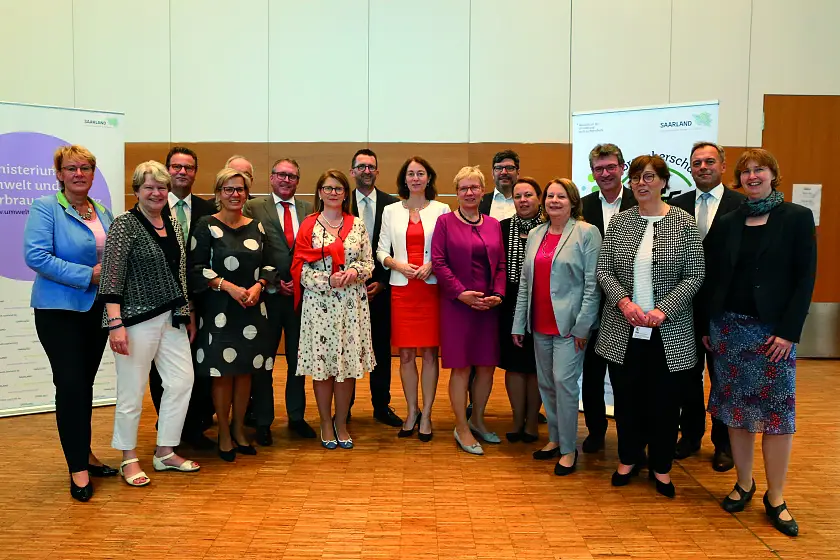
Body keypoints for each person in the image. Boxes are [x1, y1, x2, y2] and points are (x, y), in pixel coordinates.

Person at [702, 148, 816, 537]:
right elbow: (712, 275)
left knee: (777, 417)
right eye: (746, 172)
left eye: (759, 170)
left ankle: (776, 496)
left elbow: (805, 279)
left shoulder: (797, 218)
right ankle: (744, 483)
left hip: (774, 336)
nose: (752, 176)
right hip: (729, 331)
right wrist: (707, 324)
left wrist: (788, 332)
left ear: (773, 174)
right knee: (736, 414)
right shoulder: (730, 221)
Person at [595, 155, 704, 498]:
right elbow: (604, 271)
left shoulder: (685, 223)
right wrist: (624, 303)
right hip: (623, 328)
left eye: (648, 177)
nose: (640, 184)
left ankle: (661, 467)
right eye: (635, 178)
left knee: (665, 403)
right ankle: (628, 459)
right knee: (627, 400)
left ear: (662, 181)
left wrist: (664, 310)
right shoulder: (620, 223)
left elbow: (696, 275)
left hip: (668, 333)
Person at [23, 144, 117, 502]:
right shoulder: (46, 208)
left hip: (96, 312)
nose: (79, 174)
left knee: (85, 386)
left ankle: (85, 453)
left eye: (86, 168)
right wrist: (86, 275)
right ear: (59, 174)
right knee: (71, 384)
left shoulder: (103, 212)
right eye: (71, 168)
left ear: (93, 174)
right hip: (58, 312)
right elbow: (35, 256)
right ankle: (77, 469)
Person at [99, 161, 199, 487]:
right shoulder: (124, 225)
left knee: (182, 381)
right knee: (132, 390)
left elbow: (179, 274)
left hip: (172, 318)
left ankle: (165, 451)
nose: (156, 193)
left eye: (161, 187)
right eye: (149, 187)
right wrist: (115, 324)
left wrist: (186, 312)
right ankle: (128, 457)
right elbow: (111, 277)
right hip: (134, 320)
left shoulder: (172, 223)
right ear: (137, 190)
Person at [512, 179, 601, 475]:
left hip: (569, 327)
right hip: (539, 323)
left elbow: (592, 285)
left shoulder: (587, 233)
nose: (554, 201)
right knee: (547, 384)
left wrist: (583, 327)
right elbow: (526, 283)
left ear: (573, 201)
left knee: (564, 385)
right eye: (549, 196)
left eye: (560, 196)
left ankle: (568, 449)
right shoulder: (536, 233)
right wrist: (518, 324)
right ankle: (554, 438)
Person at [189, 168, 275, 462]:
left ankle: (239, 429)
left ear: (247, 193)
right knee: (222, 374)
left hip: (251, 310)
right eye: (228, 189)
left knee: (245, 373)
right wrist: (229, 287)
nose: (235, 194)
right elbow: (196, 268)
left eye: (240, 189)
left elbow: (270, 265)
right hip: (220, 312)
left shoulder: (257, 226)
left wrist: (258, 286)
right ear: (218, 193)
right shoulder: (205, 225)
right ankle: (223, 432)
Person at [670, 142, 746, 470]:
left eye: (709, 161)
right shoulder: (676, 206)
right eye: (697, 162)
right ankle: (689, 435)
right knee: (686, 376)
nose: (703, 167)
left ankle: (724, 443)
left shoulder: (742, 205)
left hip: (725, 310)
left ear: (723, 165)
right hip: (683, 308)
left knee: (723, 378)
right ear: (690, 168)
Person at [292, 169, 375, 449]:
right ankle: (326, 421)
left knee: (347, 366)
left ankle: (341, 421)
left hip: (351, 305)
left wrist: (354, 271)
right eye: (327, 188)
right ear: (319, 192)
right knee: (323, 367)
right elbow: (299, 269)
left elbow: (369, 262)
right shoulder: (308, 225)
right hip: (320, 306)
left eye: (338, 188)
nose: (333, 193)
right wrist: (327, 279)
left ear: (345, 193)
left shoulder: (357, 224)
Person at [431, 166, 506, 455]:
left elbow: (500, 265)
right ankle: (461, 425)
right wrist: (461, 294)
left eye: (475, 187)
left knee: (486, 366)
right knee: (461, 367)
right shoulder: (445, 222)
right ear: (457, 192)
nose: (470, 193)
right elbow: (439, 262)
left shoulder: (493, 224)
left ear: (483, 191)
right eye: (464, 188)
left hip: (487, 306)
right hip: (457, 306)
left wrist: (497, 294)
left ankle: (478, 420)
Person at [148, 146, 217, 450]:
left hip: (202, 300)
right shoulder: (151, 209)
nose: (182, 172)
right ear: (167, 170)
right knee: (159, 369)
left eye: (188, 167)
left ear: (195, 173)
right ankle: (166, 424)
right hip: (160, 303)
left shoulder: (208, 210)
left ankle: (193, 427)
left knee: (198, 366)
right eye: (176, 167)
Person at [377, 156, 450, 441]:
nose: (416, 178)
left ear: (429, 178)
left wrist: (433, 264)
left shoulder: (443, 209)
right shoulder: (391, 211)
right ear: (404, 179)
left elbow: (445, 249)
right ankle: (411, 411)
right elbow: (381, 250)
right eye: (411, 173)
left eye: (421, 173)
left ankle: (428, 415)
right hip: (402, 288)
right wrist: (397, 265)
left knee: (430, 353)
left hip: (431, 287)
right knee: (406, 354)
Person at [243, 158, 315, 444]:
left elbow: (311, 251)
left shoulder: (310, 210)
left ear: (298, 181)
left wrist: (297, 283)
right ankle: (262, 421)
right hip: (267, 298)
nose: (286, 180)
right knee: (264, 362)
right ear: (271, 178)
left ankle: (296, 417)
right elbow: (252, 251)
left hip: (302, 299)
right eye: (281, 175)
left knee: (299, 361)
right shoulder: (254, 207)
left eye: (292, 176)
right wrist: (273, 283)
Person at [579, 143, 637, 454]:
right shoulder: (584, 206)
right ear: (592, 172)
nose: (605, 173)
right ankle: (595, 431)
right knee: (592, 376)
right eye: (599, 169)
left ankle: (631, 435)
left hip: (629, 305)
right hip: (591, 304)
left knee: (626, 378)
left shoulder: (638, 203)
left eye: (610, 167)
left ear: (622, 168)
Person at [348, 149, 402, 427]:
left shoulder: (392, 205)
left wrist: (381, 281)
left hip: (381, 289)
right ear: (352, 171)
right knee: (347, 348)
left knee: (380, 349)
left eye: (371, 167)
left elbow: (394, 248)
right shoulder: (339, 201)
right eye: (361, 167)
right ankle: (344, 408)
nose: (366, 171)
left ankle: (381, 405)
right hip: (345, 291)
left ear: (377, 172)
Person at [498, 177, 544, 443]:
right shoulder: (502, 228)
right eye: (518, 196)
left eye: (528, 195)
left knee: (536, 364)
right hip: (510, 302)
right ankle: (517, 419)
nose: (523, 200)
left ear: (538, 197)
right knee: (514, 365)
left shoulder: (550, 228)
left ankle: (532, 420)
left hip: (542, 301)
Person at [479, 150, 519, 221]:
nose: (504, 172)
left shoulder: (525, 202)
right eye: (498, 168)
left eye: (509, 168)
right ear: (492, 173)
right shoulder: (480, 202)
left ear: (518, 173)